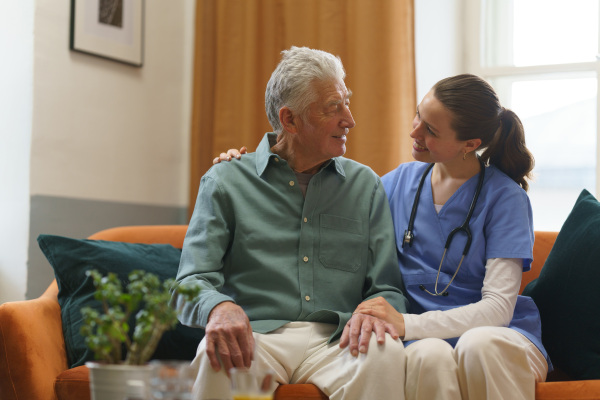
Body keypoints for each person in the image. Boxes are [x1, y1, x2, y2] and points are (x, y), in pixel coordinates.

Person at [218, 74, 551, 400]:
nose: (414, 131)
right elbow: (310, 210)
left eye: (430, 130)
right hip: (418, 337)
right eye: (419, 115)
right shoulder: (392, 185)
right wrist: (244, 168)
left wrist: (405, 324)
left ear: (470, 144)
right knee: (426, 356)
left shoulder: (506, 198)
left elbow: (497, 310)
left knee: (479, 345)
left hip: (494, 336)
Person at [173, 46, 410, 400]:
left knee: (385, 353)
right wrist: (218, 308)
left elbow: (387, 287)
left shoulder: (366, 185)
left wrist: (376, 311)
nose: (349, 119)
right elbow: (189, 283)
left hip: (339, 339)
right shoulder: (225, 182)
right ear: (290, 120)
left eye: (347, 102)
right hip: (257, 337)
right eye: (334, 107)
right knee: (217, 355)